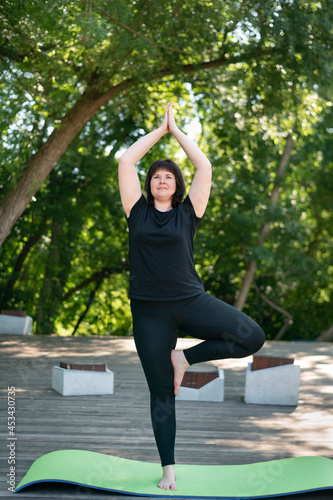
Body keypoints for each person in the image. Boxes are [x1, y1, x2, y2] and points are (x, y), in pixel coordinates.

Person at [118, 102, 265, 491]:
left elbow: (205, 167)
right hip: (149, 313)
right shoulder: (136, 211)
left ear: (177, 184)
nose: (162, 180)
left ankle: (184, 358)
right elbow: (127, 161)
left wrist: (177, 131)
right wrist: (159, 131)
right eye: (156, 176)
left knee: (251, 336)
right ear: (148, 185)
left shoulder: (189, 212)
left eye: (169, 176)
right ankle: (168, 468)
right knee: (162, 392)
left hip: (190, 300)